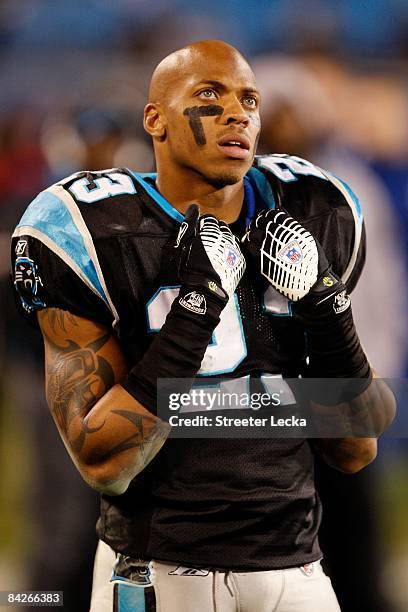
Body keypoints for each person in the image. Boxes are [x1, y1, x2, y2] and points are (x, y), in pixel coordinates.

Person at [11, 40, 395, 612]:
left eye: (250, 99)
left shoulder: (316, 209)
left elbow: (356, 446)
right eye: (209, 95)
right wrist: (195, 313)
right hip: (157, 573)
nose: (237, 112)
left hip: (299, 569)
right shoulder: (91, 230)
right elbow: (104, 464)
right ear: (155, 120)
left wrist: (328, 308)